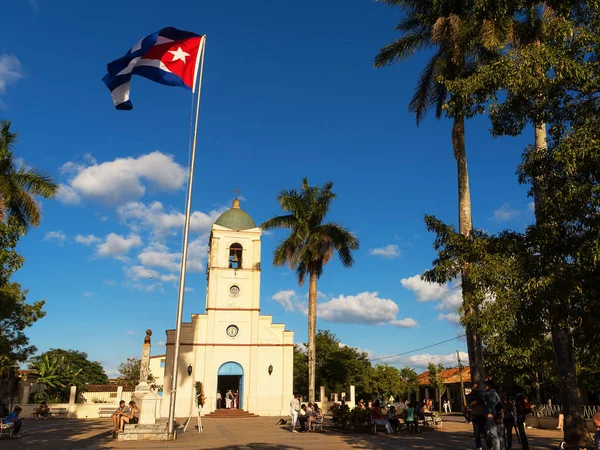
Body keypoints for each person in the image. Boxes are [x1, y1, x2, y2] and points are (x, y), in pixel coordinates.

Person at [484, 380, 505, 450]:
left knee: (494, 435)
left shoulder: (491, 393)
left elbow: (491, 404)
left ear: (490, 386)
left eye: (486, 385)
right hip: (498, 415)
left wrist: (490, 413)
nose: (485, 387)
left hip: (493, 415)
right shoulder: (496, 393)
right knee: (500, 435)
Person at [467, 383, 489, 450]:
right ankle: (479, 446)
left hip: (483, 415)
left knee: (486, 432)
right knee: (477, 433)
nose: (476, 388)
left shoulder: (482, 394)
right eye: (474, 387)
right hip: (475, 415)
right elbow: (471, 405)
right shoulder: (470, 396)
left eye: (477, 387)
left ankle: (489, 445)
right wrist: (478, 401)